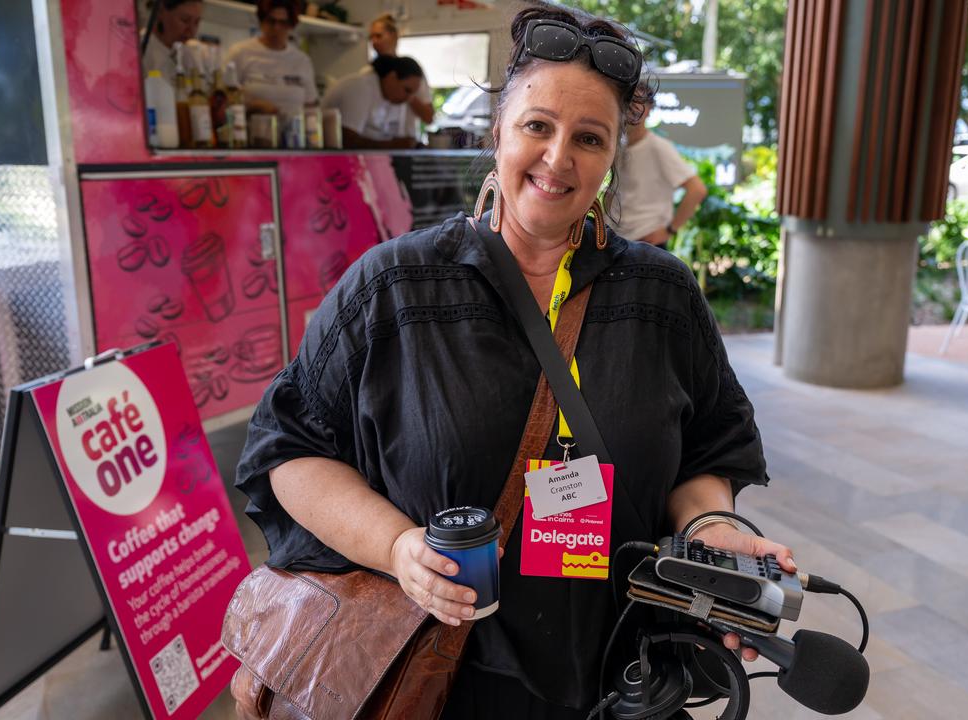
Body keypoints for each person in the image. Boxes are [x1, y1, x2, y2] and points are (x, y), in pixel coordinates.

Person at [235, 3, 795, 716]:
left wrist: (708, 530)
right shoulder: (394, 288)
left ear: (612, 155)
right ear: (497, 130)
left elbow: (706, 452)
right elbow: (289, 449)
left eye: (588, 138)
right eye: (538, 126)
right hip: (442, 674)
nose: (559, 158)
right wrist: (398, 548)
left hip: (618, 670)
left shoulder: (661, 296)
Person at [607, 85, 708, 250]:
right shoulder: (619, 146)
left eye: (639, 102)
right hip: (616, 240)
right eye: (628, 100)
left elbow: (697, 189)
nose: (632, 107)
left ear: (649, 109)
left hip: (645, 243)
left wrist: (670, 230)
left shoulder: (658, 147)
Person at [222, 0, 318, 116]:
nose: (276, 28)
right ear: (261, 21)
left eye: (283, 23)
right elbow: (223, 100)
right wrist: (252, 106)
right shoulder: (240, 52)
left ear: (291, 25)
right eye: (271, 21)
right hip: (252, 129)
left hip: (294, 130)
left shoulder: (302, 61)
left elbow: (311, 107)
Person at [321, 55, 426, 149]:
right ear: (392, 77)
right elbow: (348, 141)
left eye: (412, 94)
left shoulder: (396, 100)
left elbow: (395, 139)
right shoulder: (360, 87)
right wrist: (393, 145)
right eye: (407, 90)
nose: (408, 98)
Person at [366, 12, 435, 132]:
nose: (374, 42)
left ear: (394, 36)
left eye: (379, 36)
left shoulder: (412, 72)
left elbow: (429, 117)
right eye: (371, 37)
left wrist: (407, 93)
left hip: (407, 144)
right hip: (379, 145)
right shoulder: (368, 73)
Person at [141, 0, 203, 85]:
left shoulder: (188, 55)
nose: (192, 31)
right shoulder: (141, 51)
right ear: (160, 12)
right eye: (185, 20)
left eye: (196, 22)